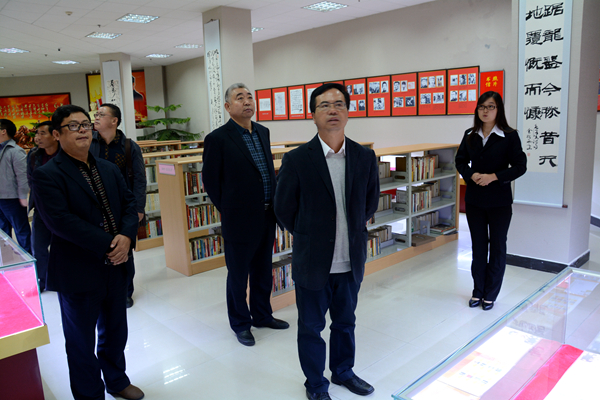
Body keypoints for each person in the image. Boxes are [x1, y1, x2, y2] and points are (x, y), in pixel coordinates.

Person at [274, 83, 380, 400]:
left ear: (348, 111)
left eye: (338, 104)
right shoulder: (297, 159)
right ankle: (316, 384)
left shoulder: (364, 156)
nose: (332, 110)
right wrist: (310, 235)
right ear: (313, 114)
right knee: (311, 327)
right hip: (313, 262)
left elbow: (370, 202)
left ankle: (343, 371)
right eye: (324, 105)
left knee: (345, 323)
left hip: (350, 260)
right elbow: (284, 209)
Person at [32, 105, 144, 400]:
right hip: (78, 271)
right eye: (73, 126)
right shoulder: (47, 175)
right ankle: (89, 395)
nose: (82, 130)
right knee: (80, 341)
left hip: (116, 267)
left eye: (85, 124)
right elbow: (60, 222)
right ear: (57, 134)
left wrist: (126, 237)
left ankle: (117, 381)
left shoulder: (108, 168)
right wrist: (112, 244)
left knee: (116, 332)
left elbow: (129, 205)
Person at [202, 83, 289, 347]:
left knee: (262, 270)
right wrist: (230, 209)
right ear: (228, 107)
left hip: (267, 215)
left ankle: (262, 315)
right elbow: (210, 181)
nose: (247, 101)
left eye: (250, 97)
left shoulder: (263, 131)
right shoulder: (218, 138)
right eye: (240, 98)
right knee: (238, 275)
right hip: (239, 219)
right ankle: (240, 323)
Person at [455, 91, 527, 311]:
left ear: (498, 110)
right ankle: (478, 291)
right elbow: (460, 160)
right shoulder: (470, 134)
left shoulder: (509, 135)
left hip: (499, 202)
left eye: (490, 106)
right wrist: (471, 174)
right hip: (475, 200)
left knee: (497, 248)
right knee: (478, 248)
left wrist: (494, 176)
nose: (485, 111)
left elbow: (520, 166)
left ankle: (491, 294)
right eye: (481, 107)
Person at [91, 103, 146, 308]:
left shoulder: (129, 146)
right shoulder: (89, 143)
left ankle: (126, 292)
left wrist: (138, 209)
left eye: (101, 114)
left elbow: (139, 179)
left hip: (123, 207)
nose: (96, 117)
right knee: (99, 248)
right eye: (96, 114)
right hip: (95, 206)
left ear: (114, 121)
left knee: (125, 250)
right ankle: (101, 289)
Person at [27, 121, 60, 291]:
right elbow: (31, 180)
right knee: (38, 246)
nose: (37, 137)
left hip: (62, 210)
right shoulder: (34, 155)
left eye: (42, 133)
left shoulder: (65, 155)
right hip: (41, 209)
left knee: (61, 247)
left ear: (55, 135)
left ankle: (60, 279)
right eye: (36, 134)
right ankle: (43, 280)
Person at [0, 118, 31, 253]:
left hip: (12, 198)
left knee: (21, 230)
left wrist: (23, 196)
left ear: (3, 131)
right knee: (3, 231)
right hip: (1, 198)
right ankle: (8, 259)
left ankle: (29, 259)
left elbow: (22, 176)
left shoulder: (15, 151)